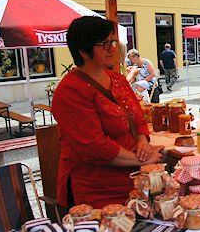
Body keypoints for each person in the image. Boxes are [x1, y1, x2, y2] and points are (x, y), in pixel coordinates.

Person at [52, 16, 163, 208]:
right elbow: (95, 148)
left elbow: (138, 117)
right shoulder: (70, 91)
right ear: (83, 51)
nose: (112, 48)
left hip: (135, 181)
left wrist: (143, 140)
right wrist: (145, 158)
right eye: (104, 44)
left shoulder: (117, 79)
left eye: (112, 41)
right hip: (99, 189)